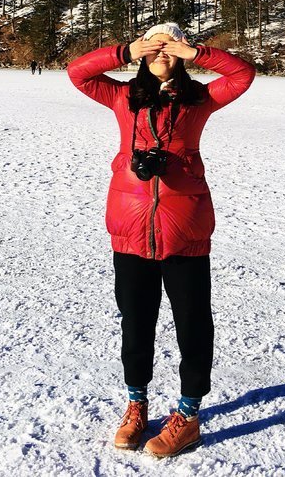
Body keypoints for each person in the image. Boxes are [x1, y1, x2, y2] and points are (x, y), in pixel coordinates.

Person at [66, 22, 256, 458]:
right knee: (135, 322)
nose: (162, 52)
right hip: (130, 228)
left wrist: (198, 53)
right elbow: (79, 73)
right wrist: (125, 51)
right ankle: (136, 405)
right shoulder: (121, 97)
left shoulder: (199, 100)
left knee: (192, 324)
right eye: (156, 45)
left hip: (184, 227)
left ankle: (188, 415)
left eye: (170, 45)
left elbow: (242, 75)